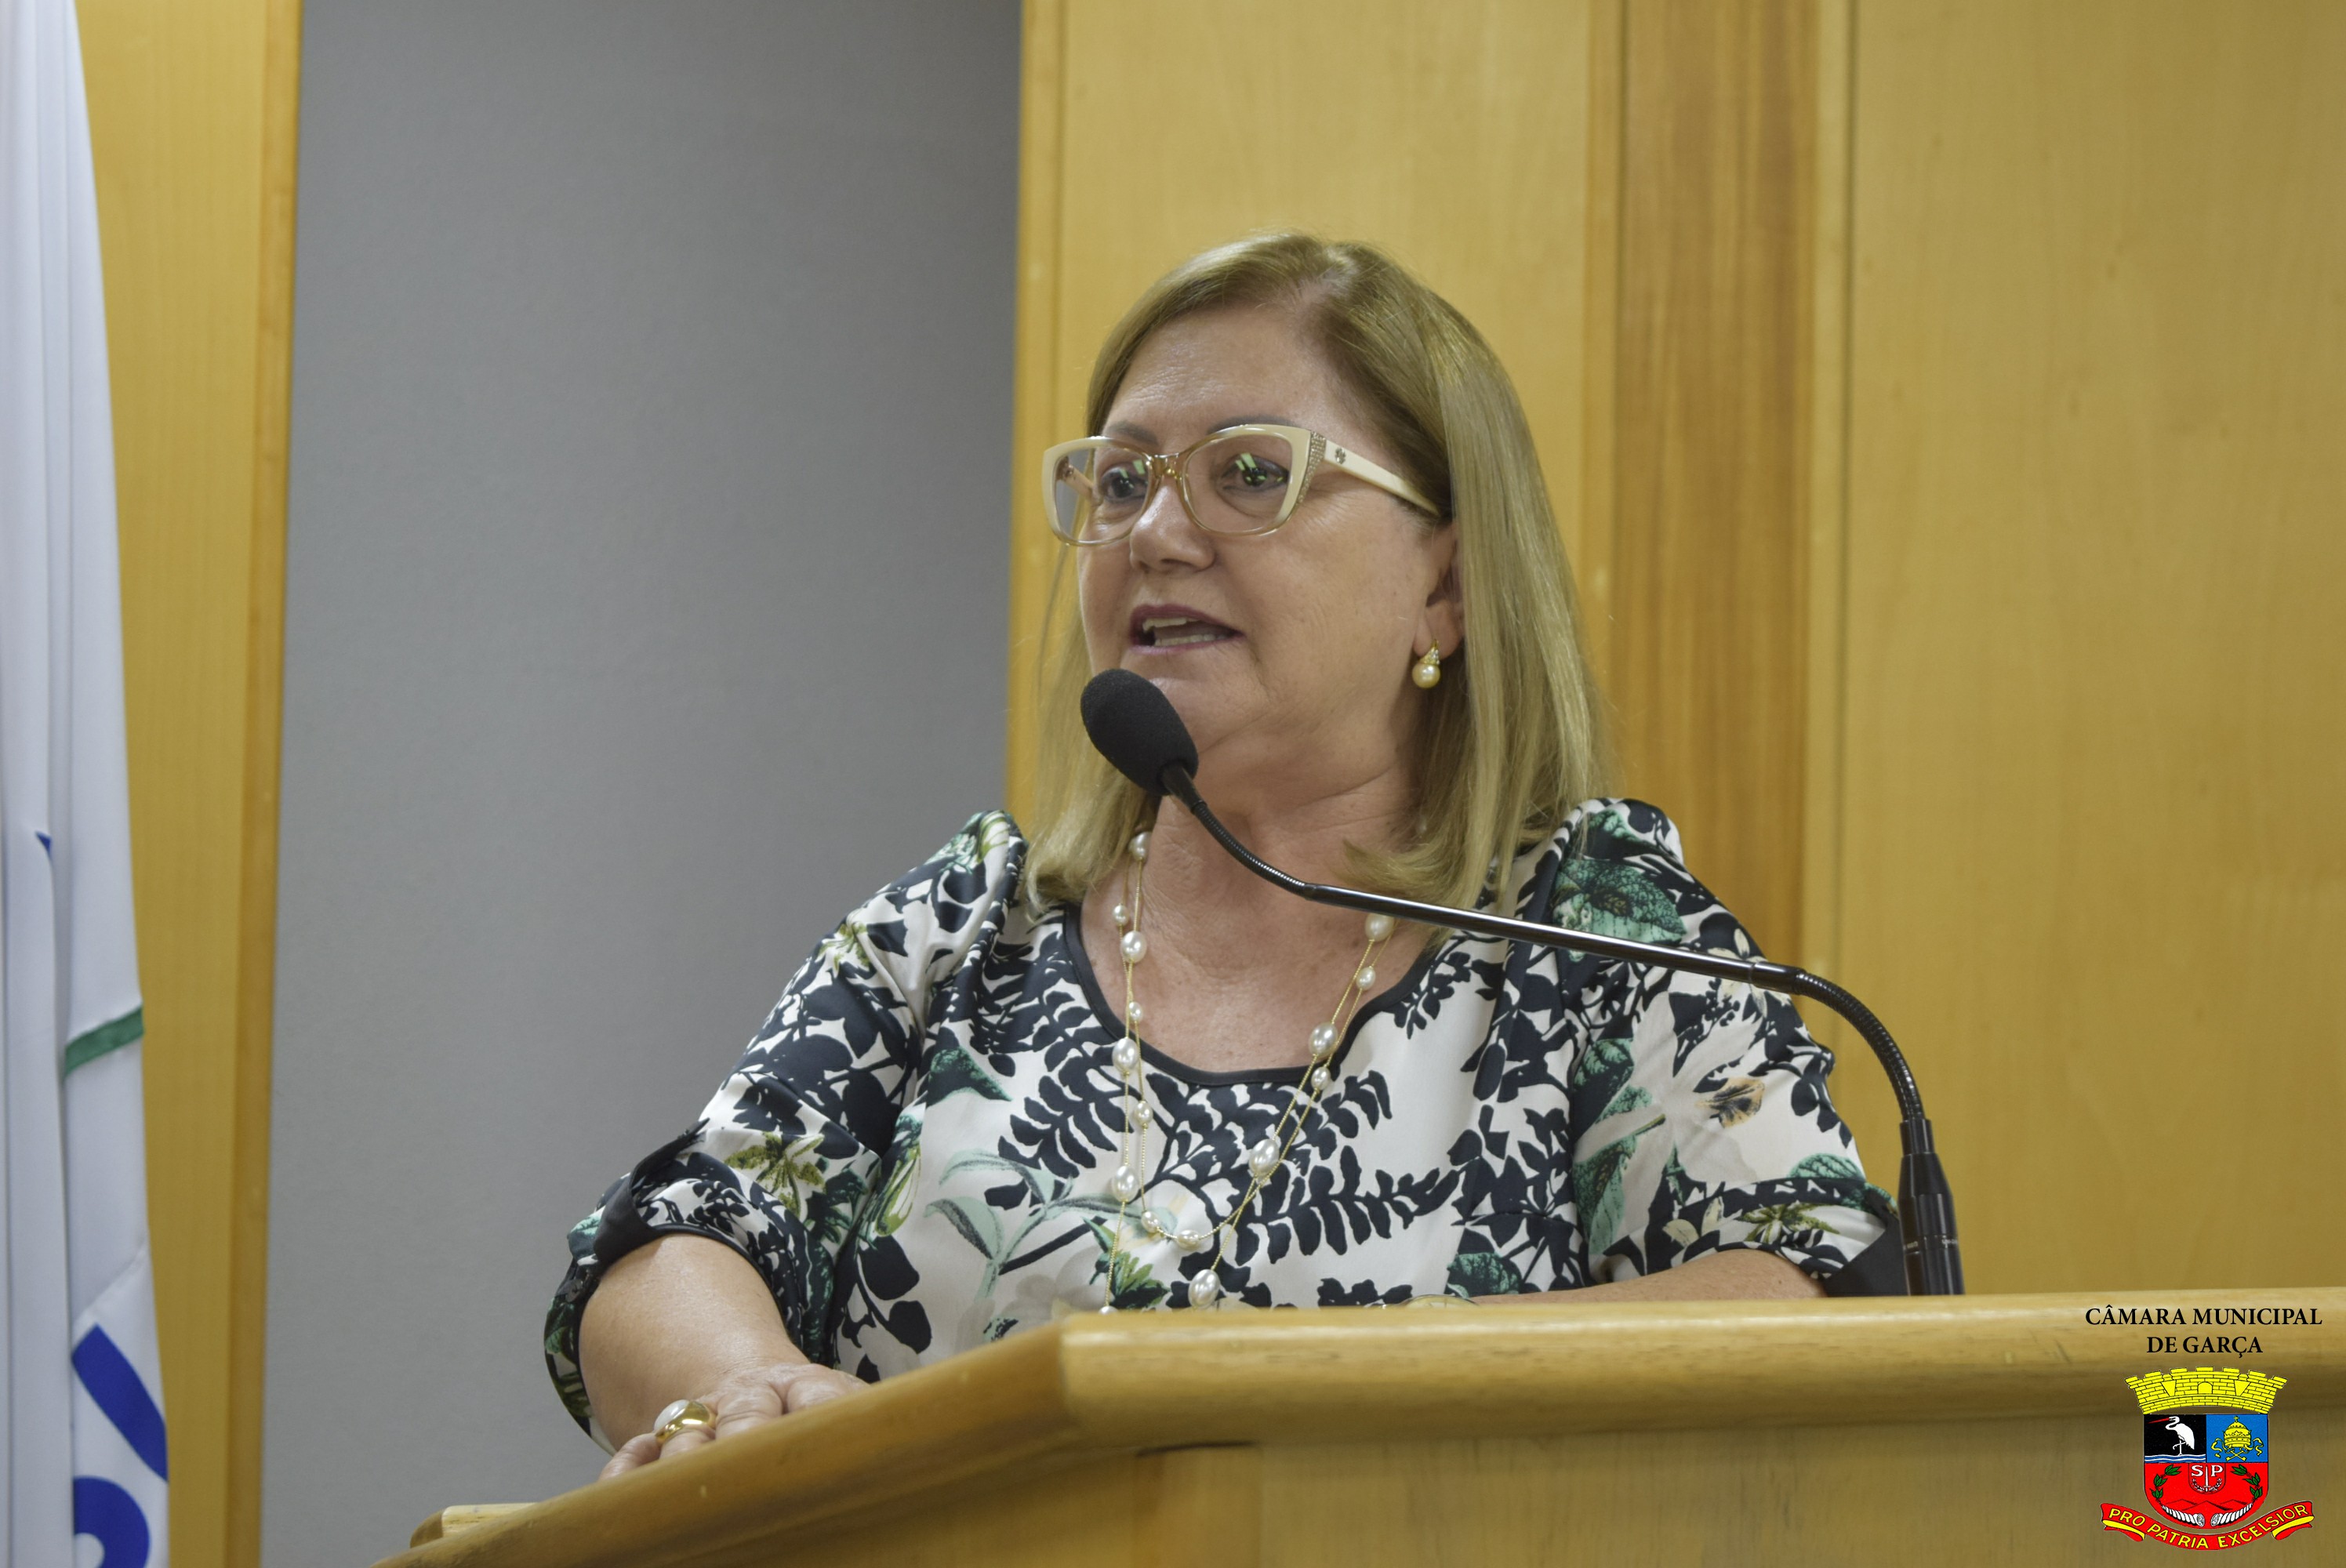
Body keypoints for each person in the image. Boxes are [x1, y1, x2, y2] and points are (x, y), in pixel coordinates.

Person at [550, 233, 1887, 1479]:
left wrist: (1298, 1388)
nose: (1153, 533)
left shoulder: (1590, 934)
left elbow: (1808, 1279)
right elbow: (674, 1241)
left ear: (1447, 584)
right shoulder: (965, 931)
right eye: (1122, 480)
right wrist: (748, 1390)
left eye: (1251, 473)